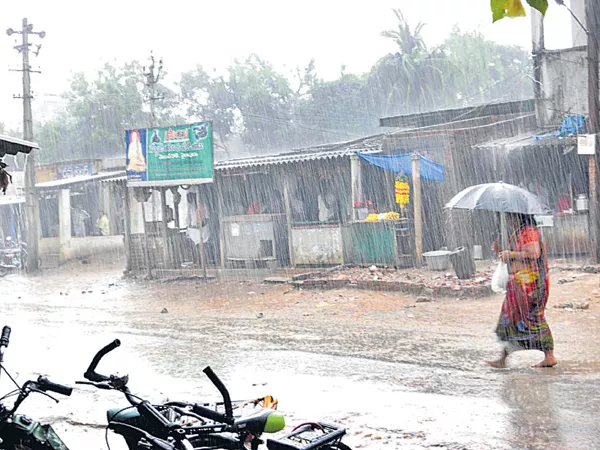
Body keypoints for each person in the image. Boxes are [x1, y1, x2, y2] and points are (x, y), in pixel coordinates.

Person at [487, 213, 557, 369]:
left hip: (529, 286)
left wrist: (510, 254)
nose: (509, 220)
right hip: (519, 285)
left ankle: (549, 356)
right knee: (512, 318)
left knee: (531, 318)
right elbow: (517, 254)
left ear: (519, 217)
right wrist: (502, 251)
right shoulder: (519, 232)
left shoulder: (529, 232)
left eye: (510, 217)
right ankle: (503, 358)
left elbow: (533, 254)